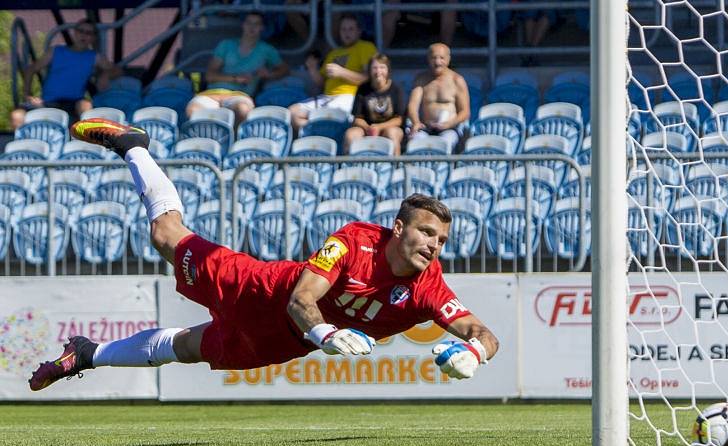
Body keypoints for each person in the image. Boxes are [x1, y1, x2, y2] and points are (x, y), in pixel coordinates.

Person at [29, 118, 499, 392]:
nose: (433, 246)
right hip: (267, 288)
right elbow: (301, 298)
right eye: (426, 234)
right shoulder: (356, 241)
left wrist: (473, 353)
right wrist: (324, 331)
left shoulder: (427, 285)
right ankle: (134, 147)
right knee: (166, 235)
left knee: (188, 348)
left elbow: (482, 332)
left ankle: (89, 354)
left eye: (440, 240)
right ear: (399, 229)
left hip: (287, 340)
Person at [10, 19, 120, 131]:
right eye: (80, 31)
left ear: (93, 38)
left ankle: (83, 144)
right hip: (47, 102)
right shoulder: (56, 51)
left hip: (73, 103)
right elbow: (31, 69)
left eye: (88, 33)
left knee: (86, 106)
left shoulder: (94, 56)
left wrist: (105, 75)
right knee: (17, 116)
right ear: (74, 33)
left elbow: (117, 70)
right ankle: (23, 146)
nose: (83, 35)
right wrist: (27, 95)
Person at [185, 11, 289, 126]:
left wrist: (268, 74)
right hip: (212, 94)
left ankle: (233, 141)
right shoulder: (226, 45)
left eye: (256, 24)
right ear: (243, 25)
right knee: (192, 110)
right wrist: (235, 78)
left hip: (239, 96)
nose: (252, 27)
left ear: (262, 28)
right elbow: (210, 75)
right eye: (249, 23)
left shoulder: (267, 50)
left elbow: (284, 69)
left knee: (242, 110)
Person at [289, 14, 377, 132]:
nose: (347, 33)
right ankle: (314, 133)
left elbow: (367, 77)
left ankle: (318, 135)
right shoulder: (334, 53)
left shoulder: (365, 47)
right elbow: (321, 84)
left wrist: (341, 72)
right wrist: (313, 69)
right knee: (292, 112)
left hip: (348, 96)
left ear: (359, 31)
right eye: (343, 29)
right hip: (326, 97)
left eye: (351, 29)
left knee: (324, 116)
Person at [406, 43, 470, 151]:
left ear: (448, 59)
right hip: (426, 127)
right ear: (428, 59)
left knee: (445, 143)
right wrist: (416, 122)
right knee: (416, 143)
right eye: (434, 58)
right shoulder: (421, 79)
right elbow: (412, 105)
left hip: (449, 129)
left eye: (441, 58)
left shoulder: (457, 80)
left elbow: (465, 112)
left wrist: (448, 124)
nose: (437, 62)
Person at [344, 53, 404, 155]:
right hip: (366, 128)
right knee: (351, 134)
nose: (378, 72)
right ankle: (349, 168)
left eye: (382, 67)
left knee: (392, 133)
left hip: (388, 127)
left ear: (388, 70)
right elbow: (357, 118)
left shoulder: (396, 89)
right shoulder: (363, 89)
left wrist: (379, 127)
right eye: (374, 68)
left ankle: (396, 167)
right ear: (369, 70)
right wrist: (368, 128)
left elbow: (399, 119)